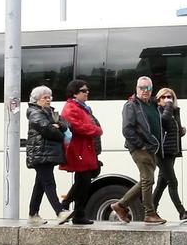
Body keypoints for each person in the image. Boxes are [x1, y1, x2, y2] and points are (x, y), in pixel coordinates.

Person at [108, 77, 164, 224]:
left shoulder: (152, 104)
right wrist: (140, 145)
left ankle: (120, 205)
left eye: (148, 88)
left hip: (152, 147)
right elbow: (127, 129)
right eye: (142, 88)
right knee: (148, 180)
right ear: (136, 88)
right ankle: (149, 213)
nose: (145, 91)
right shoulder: (131, 105)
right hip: (140, 148)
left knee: (146, 180)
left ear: (152, 90)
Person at [59, 79, 103, 225]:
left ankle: (71, 208)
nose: (87, 92)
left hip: (85, 148)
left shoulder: (83, 107)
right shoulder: (71, 107)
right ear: (75, 93)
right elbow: (77, 126)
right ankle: (74, 211)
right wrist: (96, 130)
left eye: (87, 90)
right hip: (78, 149)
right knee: (83, 181)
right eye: (84, 91)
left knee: (83, 180)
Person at [24, 86, 68, 224]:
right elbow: (48, 130)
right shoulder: (35, 113)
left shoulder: (50, 112)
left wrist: (58, 126)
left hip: (46, 153)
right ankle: (60, 211)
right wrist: (56, 128)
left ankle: (33, 215)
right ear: (36, 100)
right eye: (45, 97)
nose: (48, 100)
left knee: (40, 185)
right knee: (49, 183)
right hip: (40, 153)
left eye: (50, 97)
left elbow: (66, 124)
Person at [151, 87, 187, 222]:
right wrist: (169, 106)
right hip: (162, 153)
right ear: (158, 101)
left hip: (171, 152)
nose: (167, 99)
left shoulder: (173, 112)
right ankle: (182, 212)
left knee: (161, 183)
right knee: (172, 182)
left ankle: (149, 211)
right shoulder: (158, 111)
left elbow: (171, 131)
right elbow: (163, 122)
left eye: (169, 97)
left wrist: (181, 131)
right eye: (163, 97)